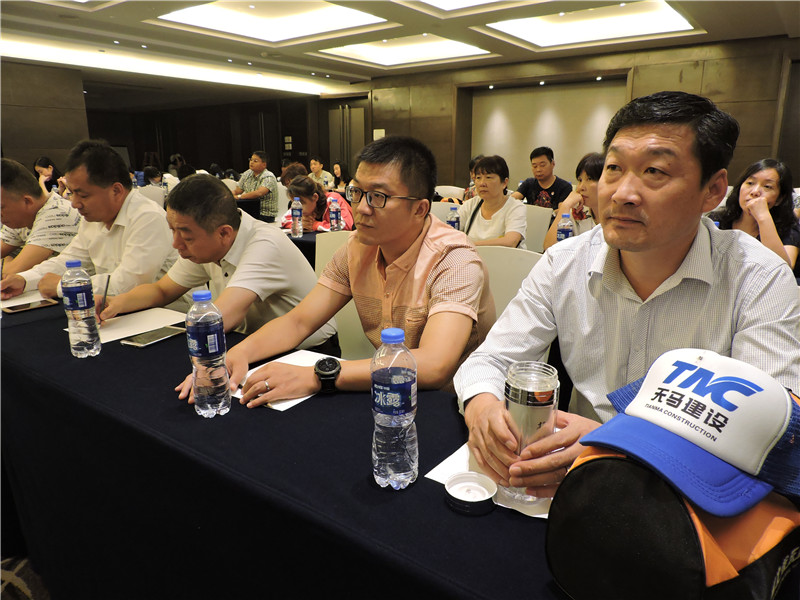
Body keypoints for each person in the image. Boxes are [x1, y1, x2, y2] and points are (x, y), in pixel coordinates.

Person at [454, 91, 800, 499]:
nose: (621, 193)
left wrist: (614, 446)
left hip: (682, 495)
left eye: (654, 171)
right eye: (614, 168)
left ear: (712, 191)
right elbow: (492, 359)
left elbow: (771, 432)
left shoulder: (759, 278)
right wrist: (482, 408)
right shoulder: (562, 263)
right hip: (565, 484)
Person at [177, 136, 495, 407]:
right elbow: (300, 321)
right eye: (357, 192)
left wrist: (320, 375)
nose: (361, 208)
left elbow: (435, 365)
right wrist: (238, 354)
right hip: (385, 392)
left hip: (456, 404)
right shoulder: (357, 248)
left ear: (420, 209)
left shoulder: (454, 260)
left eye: (378, 197)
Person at [101, 174, 338, 346]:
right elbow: (162, 290)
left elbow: (223, 317)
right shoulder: (206, 244)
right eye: (172, 230)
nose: (176, 244)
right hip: (252, 341)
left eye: (186, 236)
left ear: (224, 233)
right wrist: (114, 302)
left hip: (309, 351)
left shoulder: (264, 244)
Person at [0, 139, 177, 301]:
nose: (74, 203)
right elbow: (68, 261)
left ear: (116, 191)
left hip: (166, 316)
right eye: (72, 193)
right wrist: (24, 279)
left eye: (82, 195)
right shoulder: (94, 219)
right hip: (114, 310)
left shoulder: (147, 217)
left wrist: (63, 285)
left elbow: (129, 284)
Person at [709, 159, 799, 279]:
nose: (755, 191)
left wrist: (763, 217)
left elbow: (784, 272)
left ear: (779, 199)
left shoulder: (789, 227)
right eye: (750, 183)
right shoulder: (718, 220)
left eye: (767, 186)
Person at [1, 158, 82, 277]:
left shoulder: (56, 214)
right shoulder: (21, 217)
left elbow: (12, 272)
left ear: (27, 202)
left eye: (1, 207)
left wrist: (6, 262)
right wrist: (7, 262)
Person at [455, 155, 526, 248]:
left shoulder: (515, 207)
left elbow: (510, 241)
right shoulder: (470, 205)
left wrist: (469, 245)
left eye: (488, 177)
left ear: (504, 183)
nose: (482, 183)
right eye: (478, 178)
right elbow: (451, 234)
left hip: (505, 257)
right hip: (471, 256)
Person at [542, 152, 604, 251]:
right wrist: (565, 206)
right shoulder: (578, 211)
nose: (581, 187)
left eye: (589, 179)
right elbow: (549, 247)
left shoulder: (619, 216)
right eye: (580, 180)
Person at [280, 175, 354, 232]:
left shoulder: (332, 200)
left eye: (302, 203)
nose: (297, 207)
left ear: (315, 197)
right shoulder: (298, 206)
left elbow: (345, 226)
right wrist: (299, 224)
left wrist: (314, 225)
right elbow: (284, 219)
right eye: (294, 202)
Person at [233, 151, 279, 223]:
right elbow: (237, 191)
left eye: (255, 161)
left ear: (264, 165)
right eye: (251, 160)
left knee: (236, 221)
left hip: (264, 214)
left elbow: (259, 193)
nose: (251, 162)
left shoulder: (268, 176)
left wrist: (239, 197)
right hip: (250, 211)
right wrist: (228, 195)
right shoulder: (247, 173)